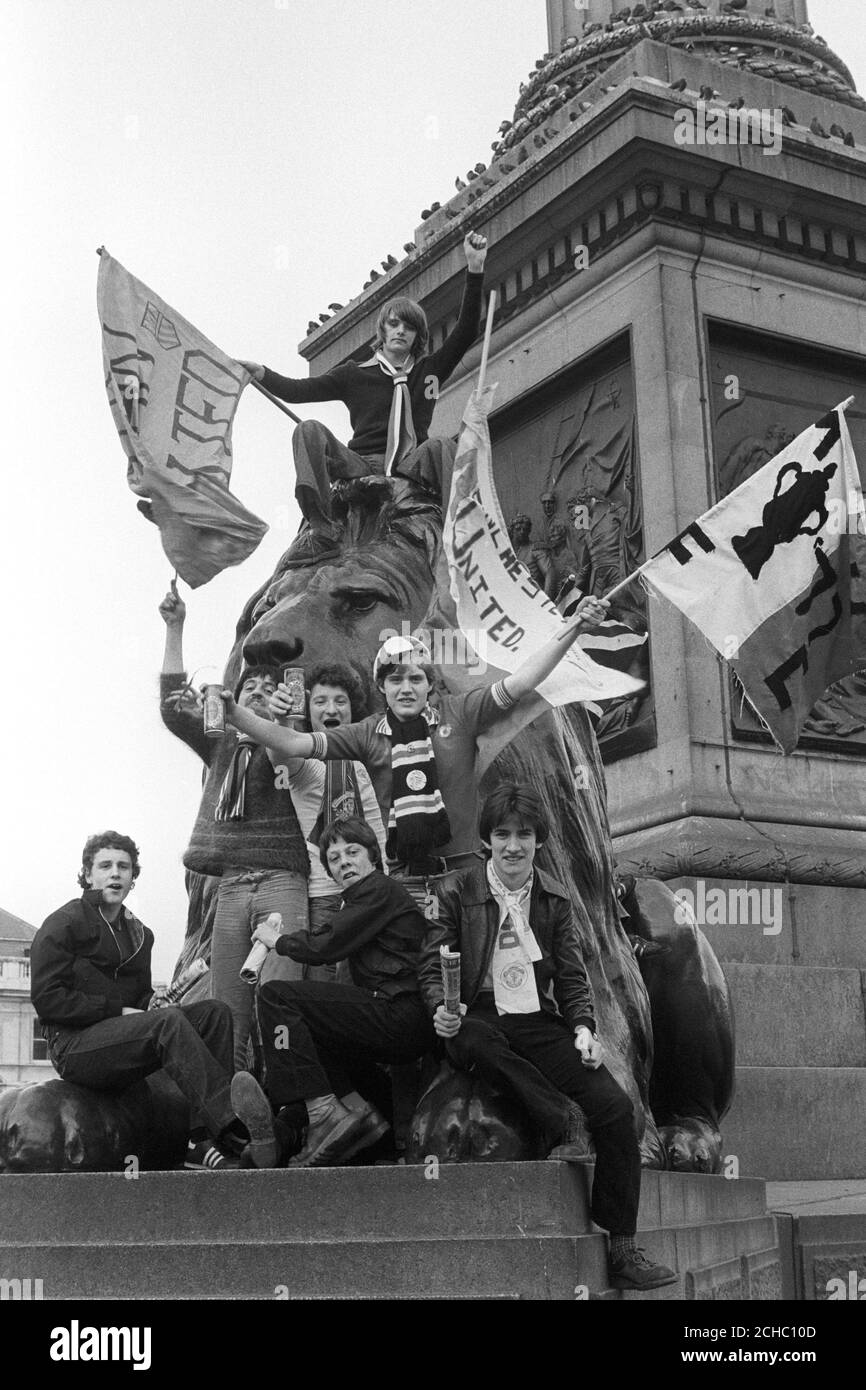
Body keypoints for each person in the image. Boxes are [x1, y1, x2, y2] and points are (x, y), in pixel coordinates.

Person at [416, 784, 678, 1292]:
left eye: (525, 835)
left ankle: (622, 1246)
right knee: (476, 1043)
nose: (513, 845)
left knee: (615, 1106)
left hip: (537, 1017)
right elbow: (433, 963)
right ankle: (561, 1118)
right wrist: (440, 1012)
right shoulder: (456, 890)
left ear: (539, 841)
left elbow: (574, 977)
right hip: (476, 1013)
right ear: (488, 840)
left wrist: (584, 1027)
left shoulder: (555, 898)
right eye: (502, 834)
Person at [223, 596, 609, 883]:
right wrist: (235, 713)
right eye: (395, 679)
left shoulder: (460, 712)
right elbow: (291, 745)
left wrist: (574, 627)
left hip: (466, 871)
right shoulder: (368, 731)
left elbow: (523, 681)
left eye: (415, 678)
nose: (406, 688)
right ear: (381, 687)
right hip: (404, 878)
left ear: (430, 684)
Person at [30, 831, 276, 1171]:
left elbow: (140, 999)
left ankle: (200, 1139)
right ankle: (234, 1125)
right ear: (88, 875)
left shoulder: (140, 934)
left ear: (133, 878)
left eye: (124, 867)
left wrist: (151, 1001)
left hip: (122, 1038)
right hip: (73, 1047)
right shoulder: (63, 923)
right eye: (105, 866)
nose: (115, 873)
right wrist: (122, 1011)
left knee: (214, 1013)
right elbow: (47, 1000)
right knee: (168, 1024)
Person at [240, 231, 488, 548]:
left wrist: (475, 268)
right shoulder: (354, 375)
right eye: (394, 324)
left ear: (418, 336)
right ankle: (321, 524)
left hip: (410, 461)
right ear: (382, 330)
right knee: (308, 430)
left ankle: (464, 527)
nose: (401, 331)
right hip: (360, 462)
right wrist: (262, 374)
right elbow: (296, 392)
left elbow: (466, 331)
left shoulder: (429, 371)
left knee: (441, 444)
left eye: (409, 327)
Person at [159, 585, 310, 1069]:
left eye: (268, 690)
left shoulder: (292, 740)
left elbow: (287, 749)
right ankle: (240, 1118)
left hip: (282, 881)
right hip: (231, 886)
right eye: (249, 689)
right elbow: (169, 707)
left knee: (279, 996)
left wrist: (288, 716)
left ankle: (301, 1104)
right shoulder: (220, 744)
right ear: (232, 698)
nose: (258, 694)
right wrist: (175, 628)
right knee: (229, 1014)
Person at [241, 817, 434, 1167]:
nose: (344, 861)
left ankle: (318, 1113)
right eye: (334, 858)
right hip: (394, 1018)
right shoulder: (362, 901)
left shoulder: (379, 890)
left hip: (400, 1013)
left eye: (353, 851)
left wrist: (278, 940)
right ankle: (362, 1120)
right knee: (311, 1029)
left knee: (276, 997)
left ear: (373, 858)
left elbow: (326, 945)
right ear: (329, 872)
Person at [273, 661, 387, 979]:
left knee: (361, 983)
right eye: (320, 701)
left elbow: (376, 831)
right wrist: (281, 719)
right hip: (323, 894)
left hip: (365, 891)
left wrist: (386, 881)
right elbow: (280, 752)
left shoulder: (361, 764)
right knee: (322, 984)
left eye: (340, 701)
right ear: (308, 711)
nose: (330, 708)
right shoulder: (305, 764)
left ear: (353, 710)